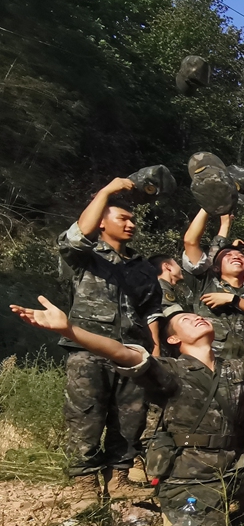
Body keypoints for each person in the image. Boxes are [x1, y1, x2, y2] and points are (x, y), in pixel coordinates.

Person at [11, 296, 244, 526]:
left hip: (231, 469)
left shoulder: (235, 368)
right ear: (173, 339)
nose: (198, 319)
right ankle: (176, 515)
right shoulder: (169, 370)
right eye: (187, 319)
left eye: (199, 316)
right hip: (189, 479)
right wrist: (71, 330)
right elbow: (121, 352)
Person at [57, 177, 163, 508]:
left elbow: (151, 311)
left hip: (131, 351)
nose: (131, 224)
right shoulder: (85, 257)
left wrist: (154, 350)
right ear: (102, 221)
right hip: (87, 347)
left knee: (130, 417)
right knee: (85, 415)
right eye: (123, 218)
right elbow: (76, 238)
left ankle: (119, 479)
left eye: (133, 220)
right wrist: (104, 192)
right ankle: (85, 483)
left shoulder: (143, 268)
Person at [182, 209, 244, 360]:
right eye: (228, 255)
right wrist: (208, 207)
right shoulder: (205, 283)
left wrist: (234, 300)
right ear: (216, 267)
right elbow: (190, 242)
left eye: (240, 255)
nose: (236, 256)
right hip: (209, 366)